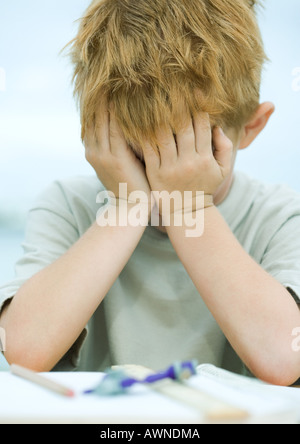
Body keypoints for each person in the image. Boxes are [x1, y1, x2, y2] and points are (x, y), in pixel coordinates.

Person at [0, 0, 300, 386]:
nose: (162, 182)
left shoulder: (279, 216)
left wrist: (190, 208)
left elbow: (286, 357)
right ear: (93, 132)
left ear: (250, 128)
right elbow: (23, 350)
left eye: (186, 156)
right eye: (137, 158)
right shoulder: (67, 206)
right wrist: (126, 206)